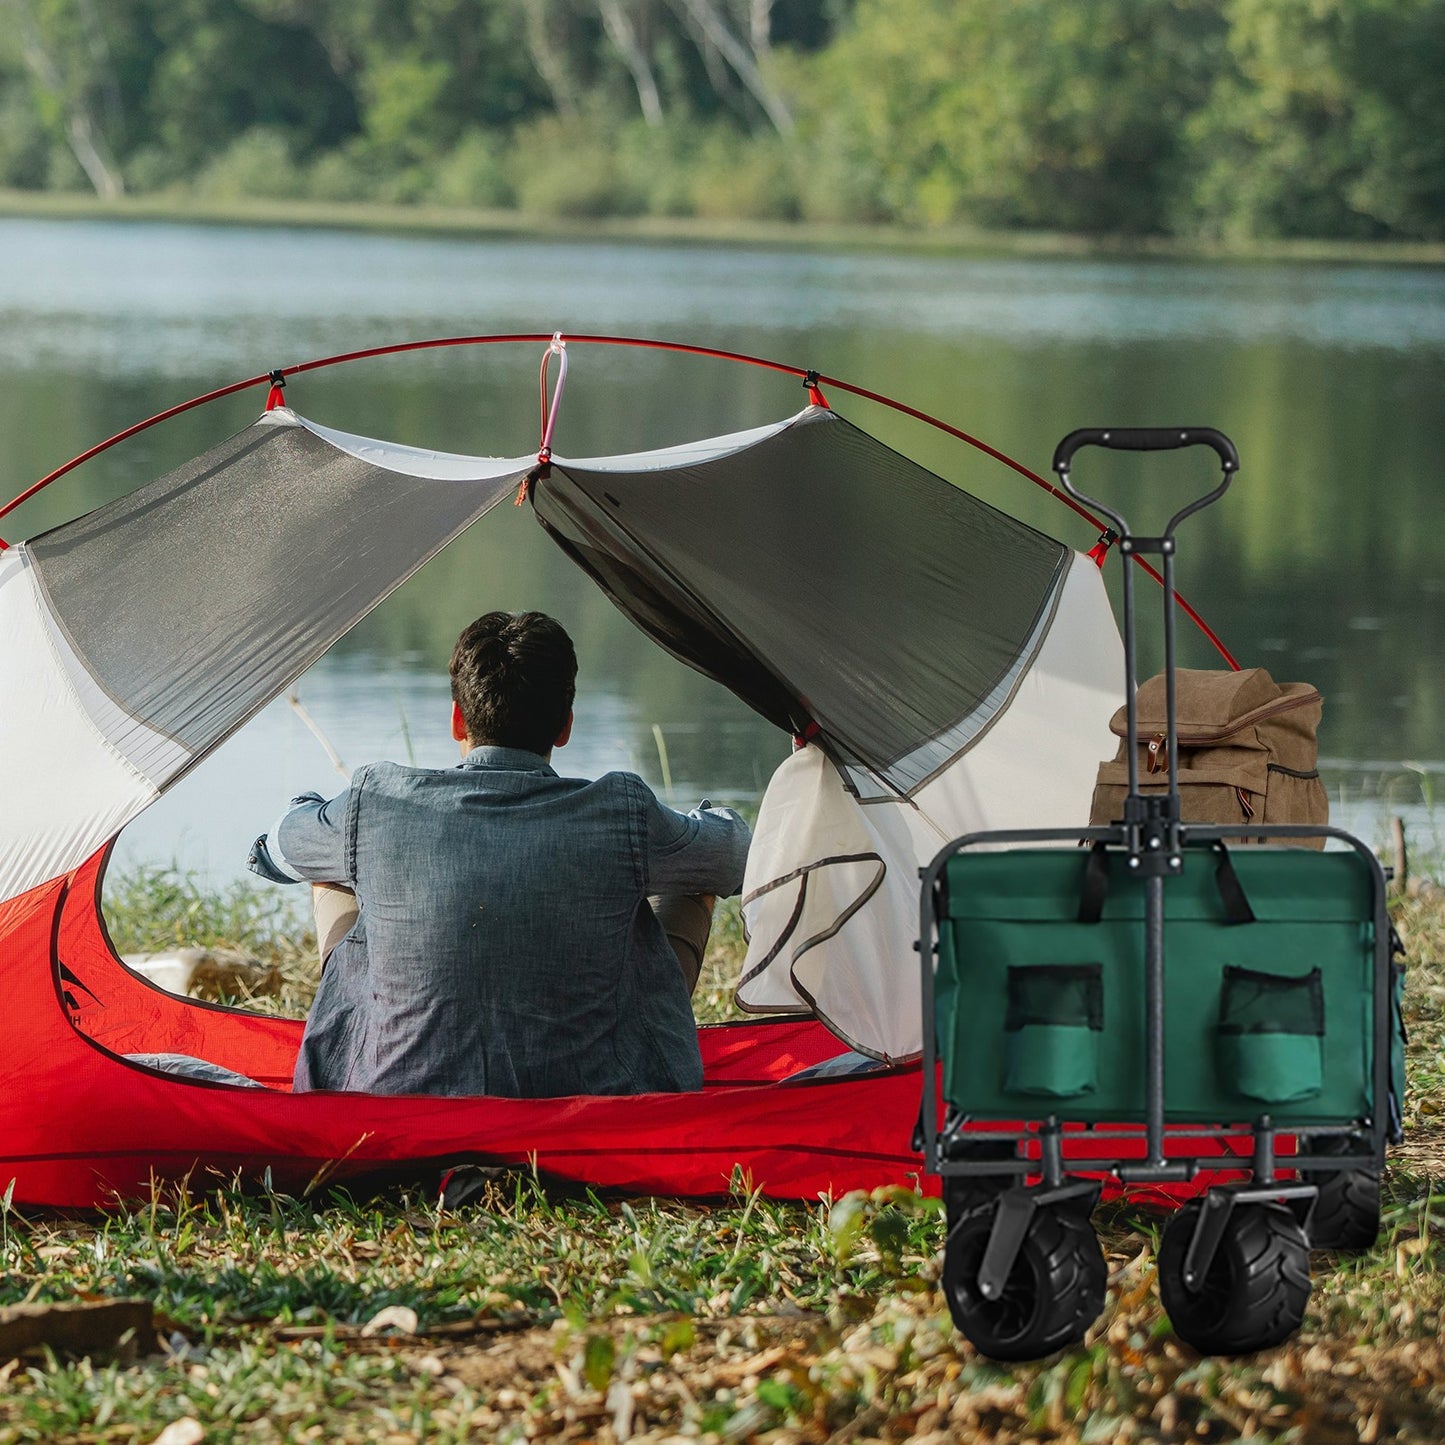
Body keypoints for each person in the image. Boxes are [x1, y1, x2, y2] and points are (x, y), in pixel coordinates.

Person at [247, 611, 751, 1098]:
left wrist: (317, 812)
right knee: (692, 870)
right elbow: (736, 857)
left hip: (389, 1097)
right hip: (600, 1100)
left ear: (456, 719)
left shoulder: (375, 800)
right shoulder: (622, 812)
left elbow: (278, 849)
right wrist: (704, 822)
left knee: (330, 869)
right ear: (565, 726)